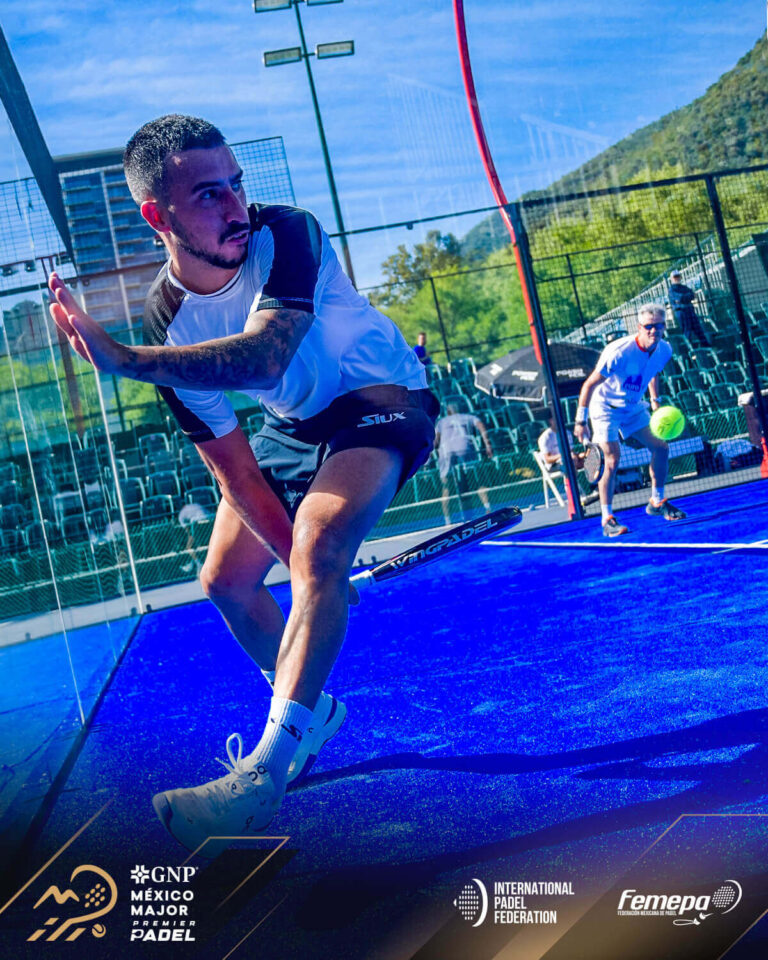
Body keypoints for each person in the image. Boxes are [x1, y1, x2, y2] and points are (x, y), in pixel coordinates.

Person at [47, 114, 438, 854]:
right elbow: (233, 469)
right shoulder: (167, 321)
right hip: (295, 425)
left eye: (235, 183)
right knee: (225, 580)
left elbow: (265, 357)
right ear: (158, 217)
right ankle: (310, 714)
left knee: (319, 543)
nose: (234, 205)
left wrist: (124, 362)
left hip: (381, 397)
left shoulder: (287, 232)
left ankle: (266, 771)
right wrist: (306, 567)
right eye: (208, 194)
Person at [573, 304, 687, 537]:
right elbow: (589, 384)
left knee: (661, 448)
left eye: (659, 325)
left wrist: (655, 400)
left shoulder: (664, 349)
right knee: (612, 460)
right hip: (605, 408)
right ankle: (607, 519)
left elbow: (652, 371)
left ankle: (656, 501)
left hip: (633, 407)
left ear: (664, 326)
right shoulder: (619, 352)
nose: (654, 330)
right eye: (649, 326)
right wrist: (580, 421)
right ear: (639, 327)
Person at [434, 404, 492, 521]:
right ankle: (488, 508)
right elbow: (480, 425)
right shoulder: (467, 417)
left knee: (447, 486)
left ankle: (447, 520)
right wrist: (487, 444)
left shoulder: (442, 422)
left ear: (448, 412)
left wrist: (430, 454)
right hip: (465, 447)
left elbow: (435, 441)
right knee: (477, 480)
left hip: (446, 451)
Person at [537, 412, 599, 506]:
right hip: (554, 466)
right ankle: (574, 495)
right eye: (555, 418)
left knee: (591, 459)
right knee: (571, 463)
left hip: (571, 460)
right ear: (550, 421)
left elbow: (572, 452)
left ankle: (595, 488)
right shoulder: (545, 437)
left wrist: (581, 455)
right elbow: (547, 459)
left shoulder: (567, 433)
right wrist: (563, 455)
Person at [668, 270, 709, 347]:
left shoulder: (684, 287)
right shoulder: (671, 290)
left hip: (690, 310)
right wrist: (687, 297)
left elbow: (692, 295)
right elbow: (680, 298)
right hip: (681, 312)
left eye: (678, 276)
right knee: (687, 331)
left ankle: (706, 346)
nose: (677, 278)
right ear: (672, 279)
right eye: (675, 277)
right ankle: (691, 349)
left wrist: (684, 298)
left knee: (698, 329)